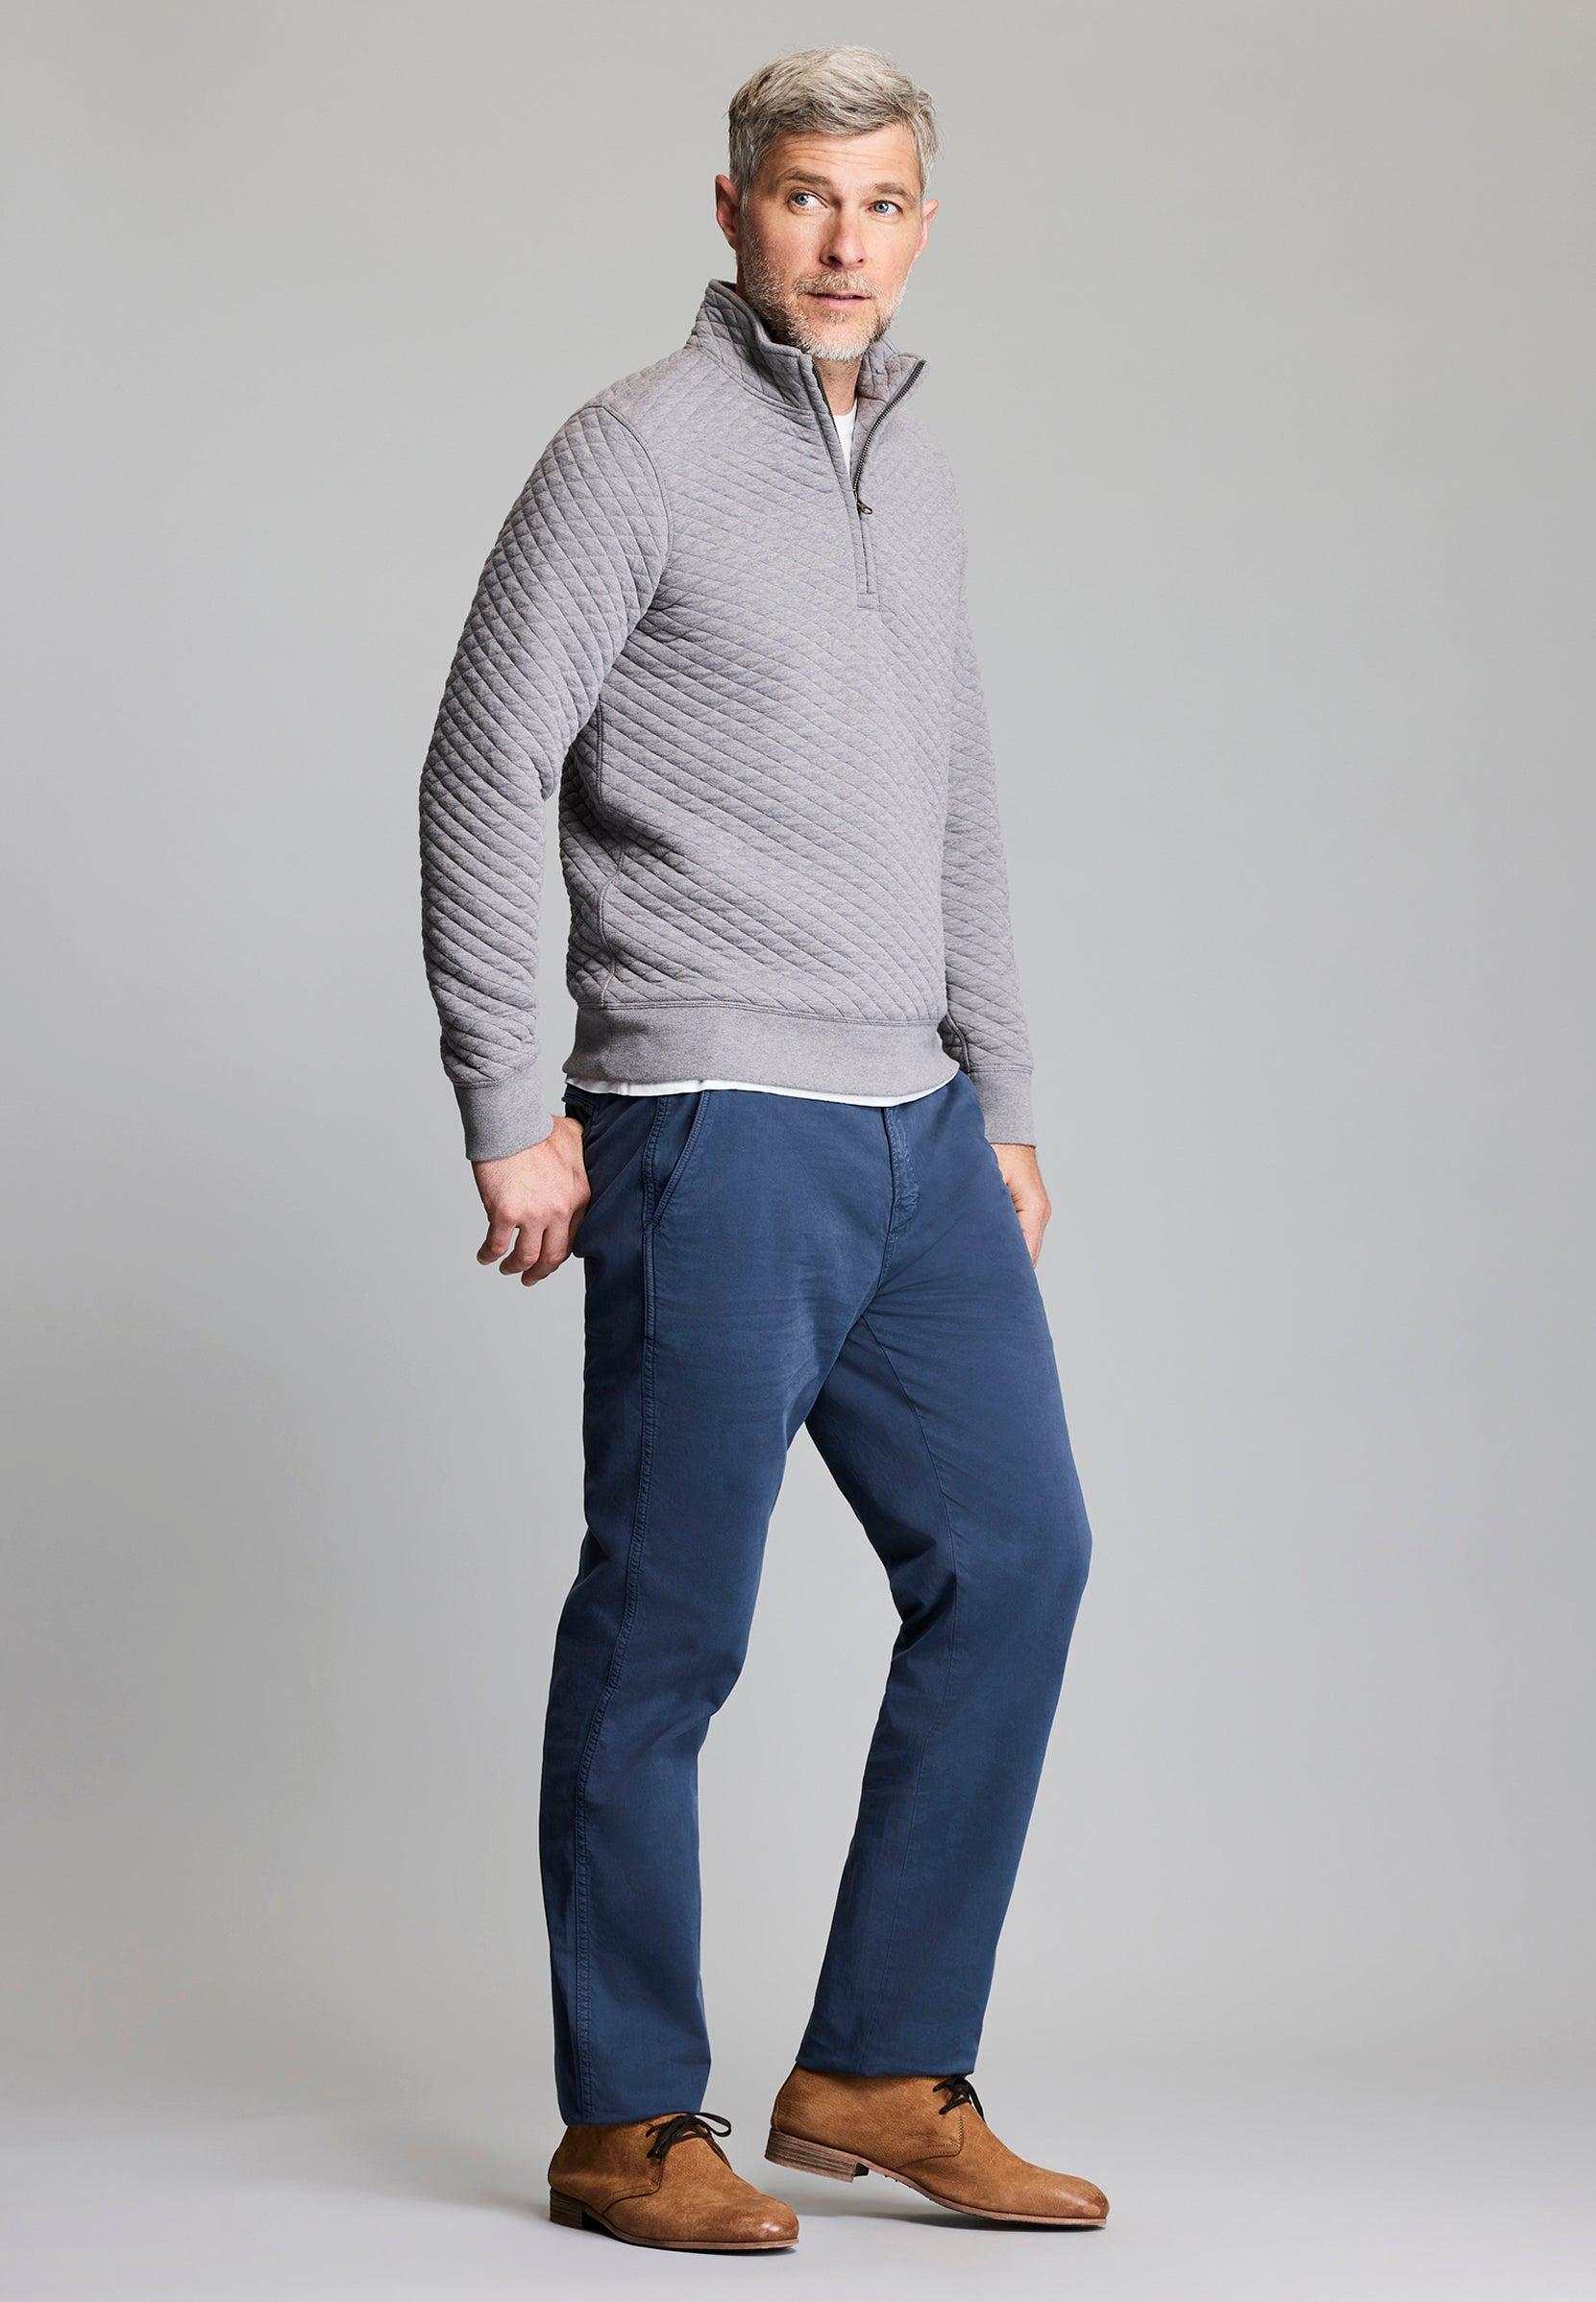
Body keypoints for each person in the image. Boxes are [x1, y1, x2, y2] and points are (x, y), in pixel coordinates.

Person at [417, 43, 1105, 2254]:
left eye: (882, 202)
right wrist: (509, 1102)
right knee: (668, 1627)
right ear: (733, 211)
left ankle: (883, 2067)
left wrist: (1002, 1097)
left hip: (917, 1132)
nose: (843, 239)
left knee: (1019, 1559)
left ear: (925, 225)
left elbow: (959, 796)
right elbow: (480, 765)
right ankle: (627, 2115)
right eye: (806, 196)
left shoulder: (921, 465)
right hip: (711, 1117)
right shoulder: (630, 454)